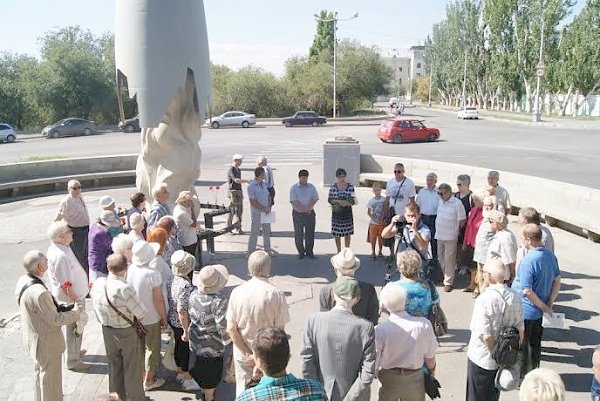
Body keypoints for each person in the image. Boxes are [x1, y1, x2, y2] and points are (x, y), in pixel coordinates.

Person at [16, 250, 82, 401]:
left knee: (41, 377)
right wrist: (76, 312)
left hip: (34, 339)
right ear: (40, 267)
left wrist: (56, 305)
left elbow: (37, 308)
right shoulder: (40, 292)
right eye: (45, 261)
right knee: (51, 382)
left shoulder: (24, 280)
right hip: (47, 343)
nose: (48, 262)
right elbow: (56, 319)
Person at [226, 250, 290, 396]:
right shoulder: (276, 294)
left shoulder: (237, 292)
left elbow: (231, 328)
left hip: (243, 354)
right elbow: (279, 332)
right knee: (270, 393)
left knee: (243, 392)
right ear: (268, 268)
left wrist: (248, 353)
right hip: (269, 356)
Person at [302, 276, 375, 401]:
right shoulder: (365, 327)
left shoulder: (312, 321)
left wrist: (316, 391)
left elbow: (307, 362)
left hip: (321, 392)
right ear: (357, 299)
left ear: (332, 295)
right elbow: (367, 372)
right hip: (354, 396)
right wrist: (350, 398)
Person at [466, 259, 524, 401]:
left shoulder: (484, 299)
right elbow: (521, 331)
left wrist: (495, 354)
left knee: (476, 396)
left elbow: (485, 336)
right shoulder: (515, 297)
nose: (483, 275)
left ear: (490, 276)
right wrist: (507, 357)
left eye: (484, 272)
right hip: (505, 357)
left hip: (483, 359)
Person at [90, 253, 146, 401]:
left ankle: (116, 397)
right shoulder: (124, 288)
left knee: (114, 366)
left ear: (108, 267)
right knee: (132, 368)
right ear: (125, 267)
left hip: (107, 329)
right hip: (126, 331)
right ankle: (136, 397)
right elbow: (141, 313)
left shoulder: (98, 284)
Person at [511, 224, 561, 377]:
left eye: (522, 238)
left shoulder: (528, 261)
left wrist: (544, 307)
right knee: (535, 345)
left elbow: (527, 291)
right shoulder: (551, 256)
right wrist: (549, 303)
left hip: (526, 311)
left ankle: (524, 378)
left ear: (528, 240)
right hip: (539, 313)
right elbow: (557, 280)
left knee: (523, 347)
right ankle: (535, 372)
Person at [375, 283, 438, 401]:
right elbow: (430, 358)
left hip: (388, 378)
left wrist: (380, 375)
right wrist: (432, 372)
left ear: (383, 305)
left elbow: (375, 362)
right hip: (414, 378)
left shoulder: (380, 330)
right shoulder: (423, 325)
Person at [236, 327, 326, 401]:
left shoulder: (247, 398)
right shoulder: (316, 390)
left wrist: (253, 382)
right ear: (288, 356)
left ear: (259, 362)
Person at [46, 221, 90, 371]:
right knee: (74, 327)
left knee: (76, 326)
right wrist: (76, 300)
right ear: (61, 236)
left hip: (75, 295)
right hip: (71, 299)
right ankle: (73, 361)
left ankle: (75, 351)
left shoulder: (62, 247)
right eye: (69, 231)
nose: (72, 232)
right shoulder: (60, 255)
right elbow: (65, 284)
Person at [127, 240, 168, 391]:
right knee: (153, 348)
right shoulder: (152, 274)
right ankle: (149, 380)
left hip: (134, 316)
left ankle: (142, 375)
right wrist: (164, 317)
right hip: (150, 317)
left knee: (140, 347)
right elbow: (158, 300)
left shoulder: (130, 269)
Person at [189, 264, 232, 401]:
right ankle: (208, 398)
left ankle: (204, 392)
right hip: (213, 345)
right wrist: (231, 341)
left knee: (200, 368)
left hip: (196, 340)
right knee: (211, 375)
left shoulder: (193, 294)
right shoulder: (219, 301)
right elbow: (222, 327)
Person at [319, 248, 379, 325]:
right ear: (355, 269)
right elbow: (373, 320)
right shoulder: (368, 289)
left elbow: (324, 321)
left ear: (335, 269)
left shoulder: (325, 291)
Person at [166, 250, 198, 390]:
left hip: (172, 318)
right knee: (184, 349)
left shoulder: (171, 278)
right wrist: (186, 329)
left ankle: (180, 370)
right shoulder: (185, 285)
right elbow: (182, 310)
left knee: (178, 346)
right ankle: (185, 375)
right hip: (182, 322)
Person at [382, 203, 431, 279]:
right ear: (404, 215)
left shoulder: (424, 229)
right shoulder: (402, 227)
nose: (411, 218)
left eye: (413, 216)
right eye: (408, 216)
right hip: (404, 265)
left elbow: (423, 246)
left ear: (419, 215)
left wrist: (414, 230)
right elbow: (384, 235)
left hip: (418, 266)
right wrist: (392, 224)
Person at [435, 183, 467, 292]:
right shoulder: (440, 200)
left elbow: (462, 220)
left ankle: (448, 282)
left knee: (449, 259)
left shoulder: (457, 203)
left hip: (450, 236)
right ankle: (446, 276)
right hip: (439, 234)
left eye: (442, 193)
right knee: (441, 257)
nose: (440, 195)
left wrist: (455, 231)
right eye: (438, 193)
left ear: (449, 192)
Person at [54, 179, 90, 273]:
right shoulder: (66, 201)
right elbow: (58, 218)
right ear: (68, 189)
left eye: (79, 187)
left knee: (86, 254)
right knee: (80, 256)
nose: (78, 190)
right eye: (74, 188)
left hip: (86, 229)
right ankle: (83, 276)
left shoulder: (80, 197)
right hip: (76, 231)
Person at [393, 250, 439, 317]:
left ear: (399, 267)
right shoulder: (430, 286)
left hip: (400, 325)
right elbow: (436, 305)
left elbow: (385, 307)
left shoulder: (393, 287)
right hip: (424, 324)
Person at [289, 169, 319, 259]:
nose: (304, 180)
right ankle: (301, 252)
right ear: (299, 178)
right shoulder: (294, 188)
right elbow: (293, 201)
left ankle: (309, 251)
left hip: (310, 213)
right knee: (299, 234)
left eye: (306, 178)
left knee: (310, 233)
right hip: (298, 213)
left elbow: (315, 198)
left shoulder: (311, 187)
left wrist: (309, 207)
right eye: (302, 178)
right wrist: (302, 208)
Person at [473, 195, 499, 295]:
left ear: (494, 206)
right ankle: (480, 290)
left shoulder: (495, 218)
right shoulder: (485, 216)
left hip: (489, 255)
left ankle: (484, 294)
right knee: (480, 274)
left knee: (487, 275)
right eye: (485, 205)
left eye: (489, 205)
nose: (487, 207)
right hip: (480, 253)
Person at [328, 168, 357, 253]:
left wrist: (347, 203)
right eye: (340, 177)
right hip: (336, 214)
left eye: (344, 176)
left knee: (347, 234)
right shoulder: (333, 187)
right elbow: (330, 199)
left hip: (347, 214)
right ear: (337, 177)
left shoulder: (350, 187)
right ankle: (338, 251)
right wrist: (340, 201)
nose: (342, 178)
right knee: (337, 234)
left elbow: (353, 201)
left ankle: (346, 251)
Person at [247, 166, 274, 255]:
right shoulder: (251, 186)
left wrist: (269, 206)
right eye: (264, 174)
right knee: (255, 232)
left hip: (267, 211)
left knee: (267, 231)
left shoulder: (264, 184)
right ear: (260, 174)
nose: (265, 176)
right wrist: (263, 208)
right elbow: (253, 201)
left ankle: (267, 249)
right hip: (257, 212)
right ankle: (250, 251)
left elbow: (268, 196)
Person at [486, 210, 518, 282]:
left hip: (501, 278)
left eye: (491, 222)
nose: (489, 224)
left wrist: (511, 278)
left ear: (497, 224)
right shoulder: (500, 234)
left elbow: (511, 261)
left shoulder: (505, 237)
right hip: (494, 274)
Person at [88, 210, 119, 283]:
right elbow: (112, 247)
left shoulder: (95, 225)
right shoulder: (102, 233)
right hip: (99, 265)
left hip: (93, 262)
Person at [462, 193, 484, 292]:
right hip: (470, 242)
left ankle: (478, 287)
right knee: (472, 266)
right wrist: (465, 241)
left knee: (479, 267)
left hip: (479, 244)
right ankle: (472, 284)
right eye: (474, 200)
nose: (475, 202)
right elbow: (468, 227)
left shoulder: (485, 213)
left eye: (477, 200)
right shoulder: (473, 210)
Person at [416, 172, 440, 265]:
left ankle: (434, 260)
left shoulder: (438, 193)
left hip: (434, 218)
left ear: (435, 181)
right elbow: (417, 206)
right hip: (423, 218)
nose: (429, 182)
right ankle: (422, 259)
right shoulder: (422, 191)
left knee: (434, 240)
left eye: (431, 180)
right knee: (422, 238)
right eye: (428, 180)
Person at [455, 174, 473, 270]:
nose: (457, 186)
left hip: (466, 227)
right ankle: (457, 263)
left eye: (459, 184)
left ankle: (464, 266)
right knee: (456, 245)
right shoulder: (456, 195)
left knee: (464, 246)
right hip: (456, 224)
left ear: (466, 184)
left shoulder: (471, 197)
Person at [227, 154, 248, 234]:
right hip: (233, 192)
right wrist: (247, 181)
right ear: (235, 160)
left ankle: (239, 228)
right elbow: (236, 180)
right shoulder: (231, 169)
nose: (241, 162)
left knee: (240, 211)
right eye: (240, 160)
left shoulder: (238, 170)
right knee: (232, 210)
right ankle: (229, 228)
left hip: (239, 191)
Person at [173, 190, 199, 257]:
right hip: (188, 241)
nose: (191, 202)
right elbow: (194, 224)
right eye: (189, 200)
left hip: (187, 239)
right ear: (184, 201)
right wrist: (192, 209)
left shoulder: (179, 208)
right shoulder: (181, 213)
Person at [367, 182, 386, 259]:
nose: (377, 192)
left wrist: (383, 218)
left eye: (378, 190)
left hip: (382, 222)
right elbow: (368, 212)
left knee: (381, 238)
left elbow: (385, 209)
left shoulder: (384, 199)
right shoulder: (371, 201)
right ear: (373, 191)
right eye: (375, 190)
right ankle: (373, 252)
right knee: (373, 238)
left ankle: (380, 252)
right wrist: (374, 219)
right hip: (373, 223)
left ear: (381, 190)